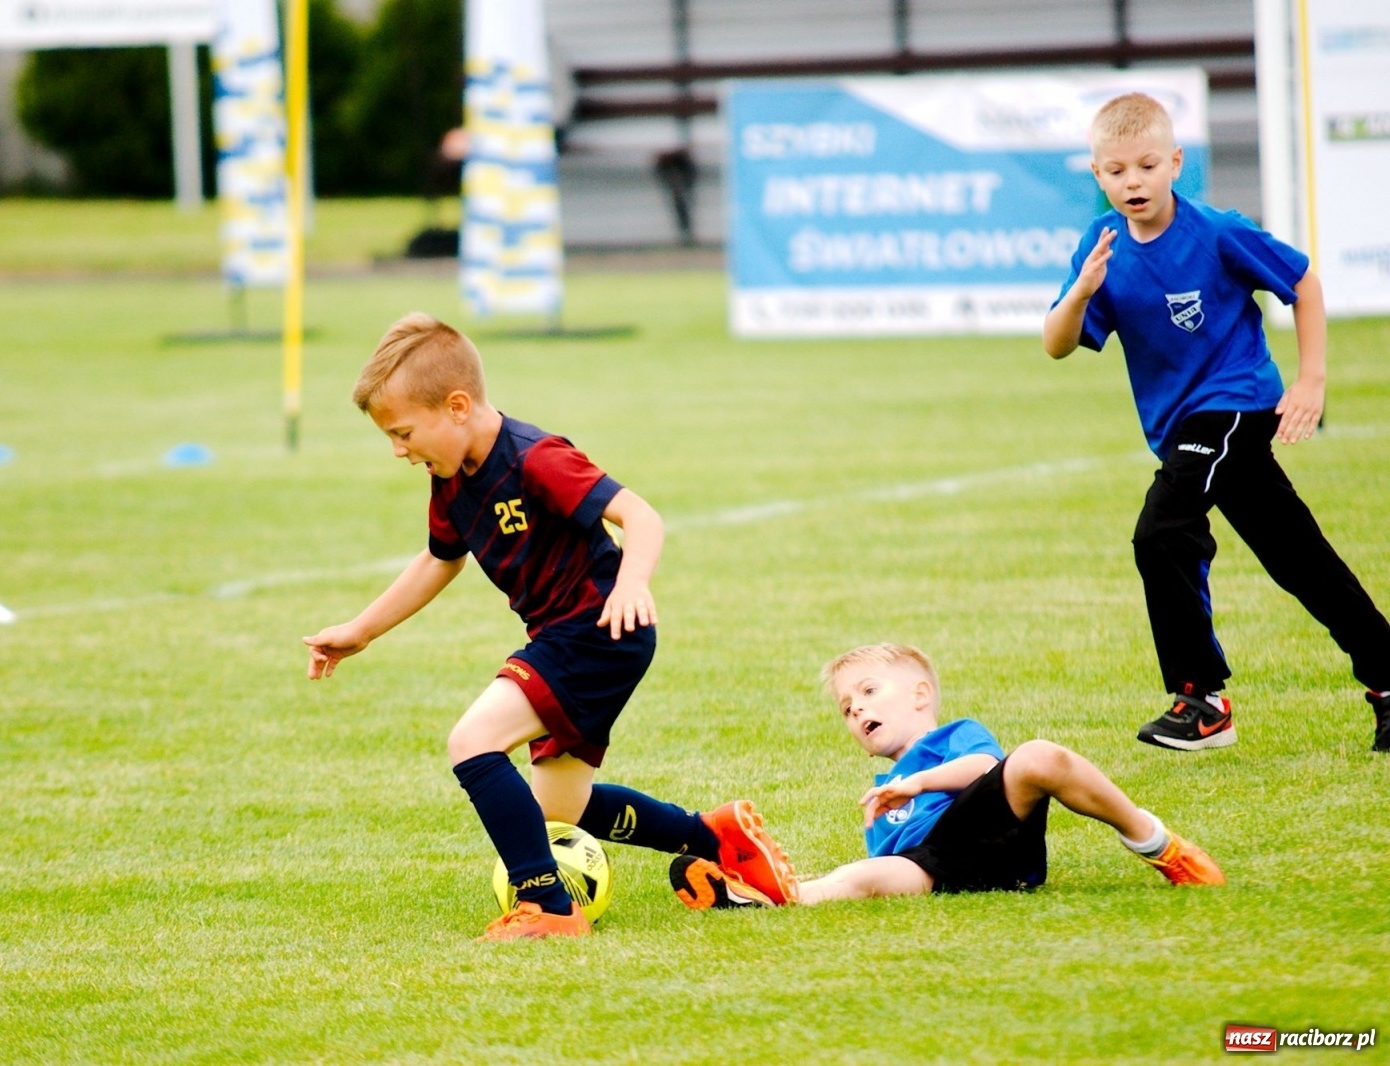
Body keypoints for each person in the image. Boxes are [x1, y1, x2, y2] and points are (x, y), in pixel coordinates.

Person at [303, 312, 796, 941]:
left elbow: (641, 517)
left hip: (596, 629)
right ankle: (712, 838)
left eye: (402, 433)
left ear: (457, 406)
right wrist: (362, 630)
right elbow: (439, 558)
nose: (400, 451)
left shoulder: (536, 459)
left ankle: (549, 906)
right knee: (559, 808)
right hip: (567, 637)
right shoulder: (450, 478)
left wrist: (633, 582)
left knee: (473, 742)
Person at [1042, 91, 1390, 753]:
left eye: (1147, 165)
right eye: (1116, 171)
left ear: (1175, 162)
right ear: (1097, 176)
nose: (1133, 181)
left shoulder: (1217, 232)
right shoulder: (1101, 246)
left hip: (1234, 404)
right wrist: (1080, 294)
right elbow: (1057, 343)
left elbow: (1304, 281)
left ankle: (1201, 699)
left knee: (1161, 530)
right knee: (1302, 561)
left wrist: (1310, 379)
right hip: (1182, 425)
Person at [669, 643, 1222, 910]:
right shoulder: (882, 796)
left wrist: (917, 782)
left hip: (992, 833)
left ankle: (1155, 842)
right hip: (940, 867)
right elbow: (894, 861)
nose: (857, 711)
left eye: (867, 692)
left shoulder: (950, 739)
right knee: (862, 874)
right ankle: (772, 896)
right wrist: (890, 815)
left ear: (919, 695)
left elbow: (985, 769)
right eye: (845, 708)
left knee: (1037, 757)